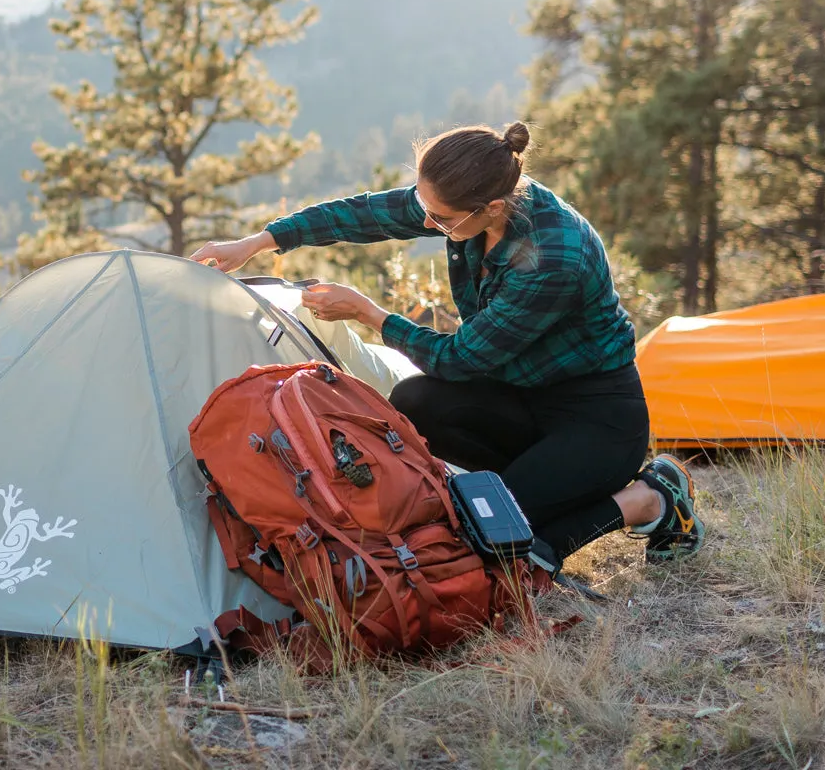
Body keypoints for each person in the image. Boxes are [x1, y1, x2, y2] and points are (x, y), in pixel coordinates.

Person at [190, 121, 705, 571]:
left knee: (498, 543)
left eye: (439, 219)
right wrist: (257, 243)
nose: (427, 222)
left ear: (493, 208)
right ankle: (526, 489)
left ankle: (650, 498)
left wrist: (369, 313)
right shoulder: (466, 201)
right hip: (515, 398)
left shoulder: (553, 258)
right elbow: (363, 215)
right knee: (416, 401)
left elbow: (461, 358)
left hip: (594, 418)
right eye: (424, 209)